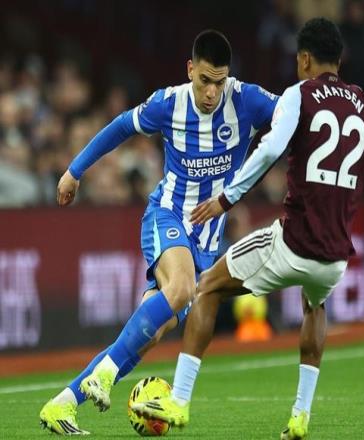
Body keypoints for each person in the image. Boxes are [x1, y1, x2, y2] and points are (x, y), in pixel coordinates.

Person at [130, 18, 364, 440]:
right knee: (314, 305)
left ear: (305, 59)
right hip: (335, 256)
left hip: (292, 242)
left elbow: (270, 148)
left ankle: (178, 401)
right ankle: (300, 415)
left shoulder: (299, 95)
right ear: (339, 61)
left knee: (207, 288)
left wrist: (226, 199)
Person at [39, 29, 278, 435]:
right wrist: (74, 171)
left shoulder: (248, 101)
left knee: (147, 336)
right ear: (190, 70)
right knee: (181, 288)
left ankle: (62, 404)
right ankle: (105, 375)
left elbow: (296, 114)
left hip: (205, 243)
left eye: (219, 82)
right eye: (205, 81)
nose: (211, 93)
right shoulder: (169, 103)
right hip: (166, 216)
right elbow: (121, 127)